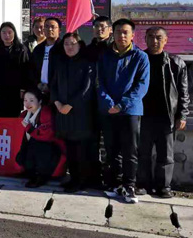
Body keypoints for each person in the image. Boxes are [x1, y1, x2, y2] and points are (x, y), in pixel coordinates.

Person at [98, 18, 150, 204]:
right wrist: (108, 103)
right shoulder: (105, 56)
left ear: (133, 35)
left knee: (130, 150)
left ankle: (129, 185)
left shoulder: (140, 57)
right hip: (108, 109)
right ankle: (114, 183)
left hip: (130, 111)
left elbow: (141, 86)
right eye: (118, 32)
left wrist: (121, 105)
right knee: (111, 149)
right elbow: (99, 82)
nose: (121, 35)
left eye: (125, 32)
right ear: (113, 33)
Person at [137, 27, 190, 198]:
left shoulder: (176, 63)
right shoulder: (139, 59)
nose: (154, 41)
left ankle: (163, 186)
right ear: (145, 39)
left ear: (165, 40)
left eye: (159, 38)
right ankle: (142, 184)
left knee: (166, 155)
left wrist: (182, 115)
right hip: (142, 115)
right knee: (142, 153)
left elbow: (183, 92)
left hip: (166, 116)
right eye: (151, 37)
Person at [51, 33, 98, 192]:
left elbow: (87, 89)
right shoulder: (60, 63)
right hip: (63, 112)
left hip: (80, 113)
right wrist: (57, 103)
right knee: (69, 147)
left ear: (79, 45)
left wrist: (70, 105)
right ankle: (73, 177)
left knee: (81, 149)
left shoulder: (87, 64)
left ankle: (81, 180)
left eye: (73, 43)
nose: (69, 47)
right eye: (66, 44)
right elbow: (53, 85)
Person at [17, 88, 64, 188]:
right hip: (34, 147)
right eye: (25, 100)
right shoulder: (24, 114)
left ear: (40, 101)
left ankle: (42, 175)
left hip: (50, 148)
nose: (28, 103)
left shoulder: (46, 112)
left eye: (31, 100)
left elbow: (47, 135)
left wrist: (28, 128)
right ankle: (31, 172)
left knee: (39, 145)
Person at [0, 22, 29, 117]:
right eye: (4, 32)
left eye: (10, 32)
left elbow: (25, 70)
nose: (7, 35)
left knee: (14, 116)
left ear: (14, 33)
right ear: (0, 34)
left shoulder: (21, 49)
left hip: (15, 90)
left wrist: (23, 89)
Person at [29, 17, 63, 96]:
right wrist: (37, 84)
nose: (49, 29)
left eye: (53, 27)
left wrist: (50, 86)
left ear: (59, 30)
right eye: (46, 26)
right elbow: (32, 69)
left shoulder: (63, 48)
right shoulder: (38, 49)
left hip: (58, 92)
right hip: (39, 91)